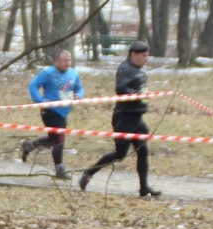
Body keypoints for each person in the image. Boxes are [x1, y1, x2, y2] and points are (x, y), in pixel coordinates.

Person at [78, 41, 161, 197]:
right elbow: (121, 89)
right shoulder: (125, 68)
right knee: (120, 154)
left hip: (137, 118)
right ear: (134, 54)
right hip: (124, 118)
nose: (146, 59)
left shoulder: (139, 71)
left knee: (143, 151)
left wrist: (144, 96)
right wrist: (137, 95)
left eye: (147, 55)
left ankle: (144, 188)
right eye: (143, 55)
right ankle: (88, 172)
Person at [21, 48, 84, 180]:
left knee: (52, 140)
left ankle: (29, 146)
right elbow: (33, 86)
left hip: (63, 112)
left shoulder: (73, 73)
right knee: (59, 140)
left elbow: (79, 87)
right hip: (50, 111)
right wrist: (41, 100)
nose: (67, 63)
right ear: (56, 61)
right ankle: (59, 169)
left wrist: (79, 95)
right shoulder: (48, 73)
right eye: (64, 60)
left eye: (69, 60)